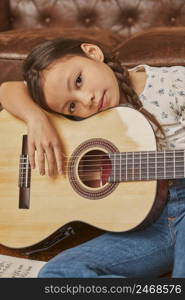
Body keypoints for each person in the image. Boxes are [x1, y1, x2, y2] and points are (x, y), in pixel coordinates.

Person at [0, 38, 185, 278]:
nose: (85, 100)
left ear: (93, 52)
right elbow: (8, 89)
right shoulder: (90, 115)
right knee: (57, 273)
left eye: (79, 80)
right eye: (71, 107)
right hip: (151, 225)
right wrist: (37, 119)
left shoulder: (174, 84)